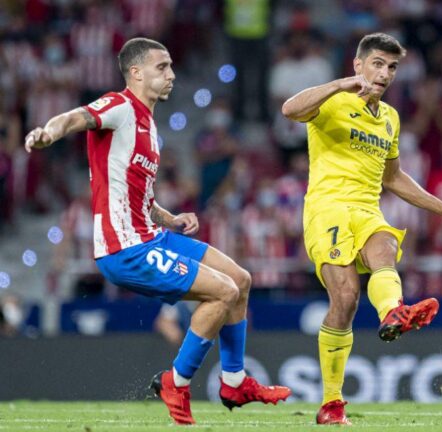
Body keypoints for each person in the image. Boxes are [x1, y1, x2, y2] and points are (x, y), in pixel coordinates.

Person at [24, 37, 290, 425]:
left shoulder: (148, 124)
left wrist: (171, 218)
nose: (172, 75)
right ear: (135, 72)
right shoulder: (119, 106)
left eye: (171, 66)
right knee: (223, 292)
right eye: (162, 67)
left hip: (152, 235)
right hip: (124, 248)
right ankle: (175, 383)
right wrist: (47, 133)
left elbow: (141, 198)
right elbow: (73, 118)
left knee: (240, 279)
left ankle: (234, 381)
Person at [282, 33, 442, 425]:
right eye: (377, 64)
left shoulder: (390, 118)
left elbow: (393, 178)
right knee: (345, 299)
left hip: (366, 209)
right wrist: (339, 84)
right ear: (358, 65)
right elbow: (290, 109)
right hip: (327, 209)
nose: (385, 74)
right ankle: (331, 402)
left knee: (385, 248)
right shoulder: (333, 101)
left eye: (392, 67)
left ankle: (394, 312)